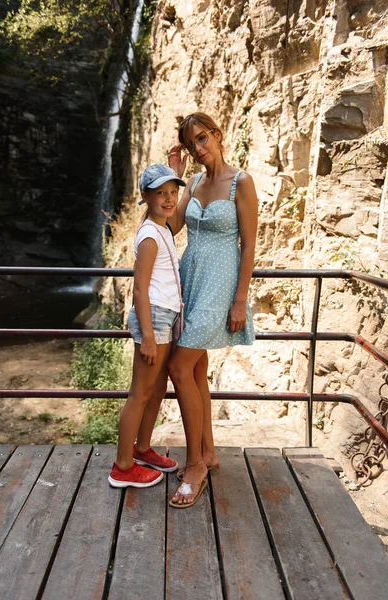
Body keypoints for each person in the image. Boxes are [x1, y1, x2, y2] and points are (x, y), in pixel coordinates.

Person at [167, 112, 258, 508]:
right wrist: (172, 174)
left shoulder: (241, 181)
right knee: (197, 370)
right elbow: (168, 227)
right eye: (192, 145)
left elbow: (249, 246)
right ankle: (209, 452)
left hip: (219, 288)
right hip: (189, 282)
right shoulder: (192, 182)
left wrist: (240, 299)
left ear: (218, 136)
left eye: (203, 139)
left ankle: (194, 466)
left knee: (178, 367)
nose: (199, 149)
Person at [108, 164, 186, 489]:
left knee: (156, 389)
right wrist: (149, 338)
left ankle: (142, 449)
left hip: (164, 315)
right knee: (140, 393)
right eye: (160, 194)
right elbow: (140, 289)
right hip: (153, 317)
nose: (169, 200)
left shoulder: (163, 227)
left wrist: (177, 169)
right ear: (146, 197)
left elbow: (175, 214)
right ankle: (123, 467)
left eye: (172, 193)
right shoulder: (151, 236)